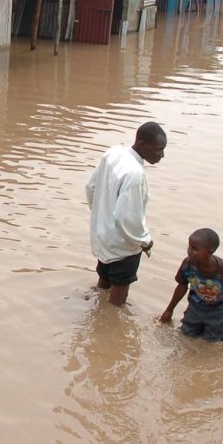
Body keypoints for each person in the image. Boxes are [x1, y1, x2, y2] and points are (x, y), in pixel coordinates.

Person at [85, 121, 167, 306]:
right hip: (123, 246)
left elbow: (90, 187)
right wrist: (144, 242)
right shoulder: (135, 174)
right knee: (118, 297)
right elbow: (127, 217)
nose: (162, 155)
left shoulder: (113, 153)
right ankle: (108, 321)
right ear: (142, 144)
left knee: (103, 281)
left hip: (103, 237)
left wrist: (101, 217)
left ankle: (97, 309)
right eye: (159, 150)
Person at [159, 228, 223, 347]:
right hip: (195, 308)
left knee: (213, 343)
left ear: (210, 251)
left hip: (218, 313)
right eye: (189, 247)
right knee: (186, 336)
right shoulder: (188, 264)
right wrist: (169, 310)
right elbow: (182, 286)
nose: (189, 251)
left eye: (195, 249)